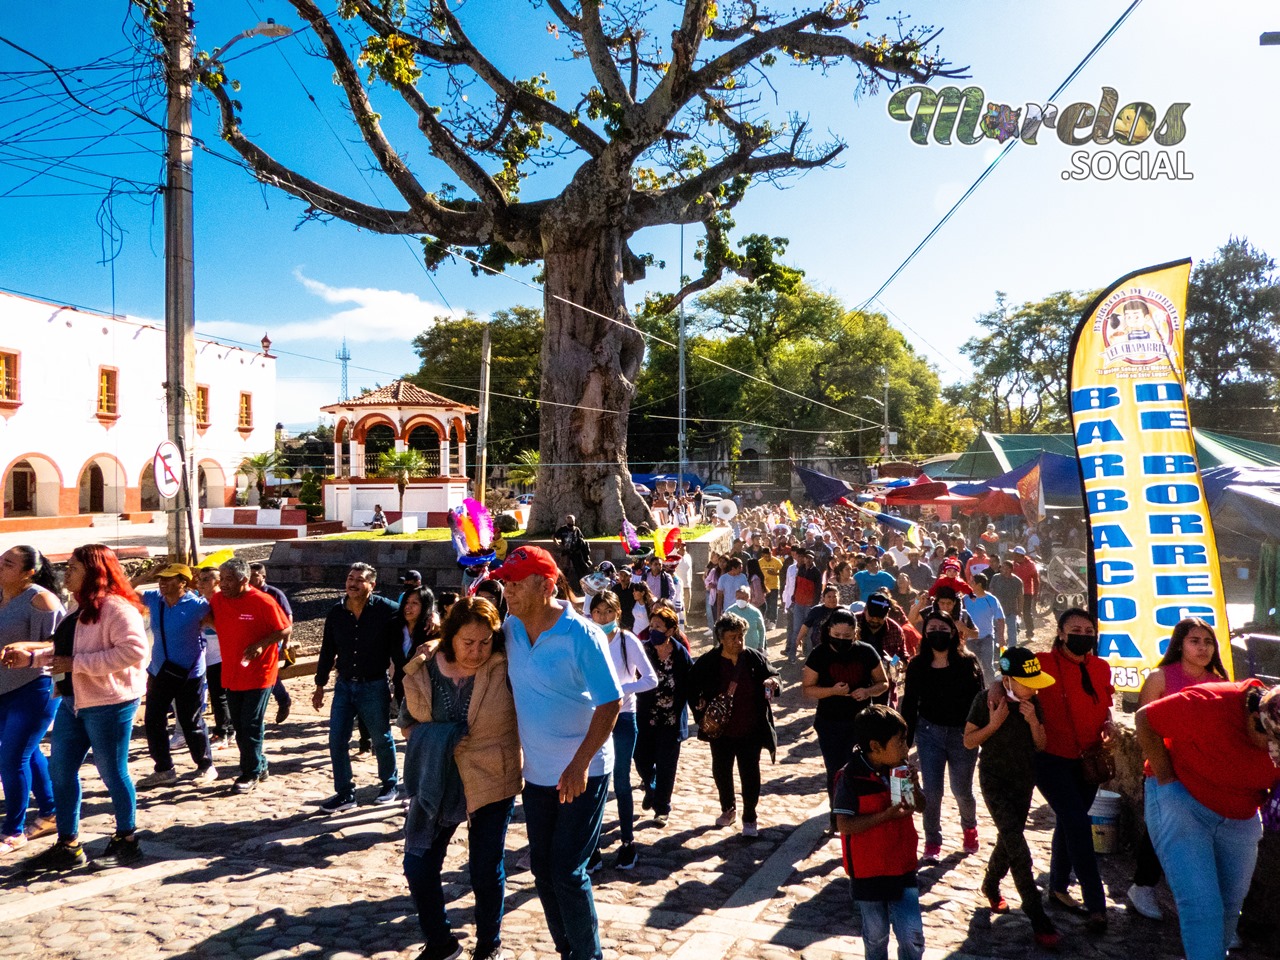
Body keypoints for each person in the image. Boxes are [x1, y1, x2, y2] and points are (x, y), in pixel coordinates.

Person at [491, 545, 622, 960]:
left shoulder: (582, 634)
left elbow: (611, 702)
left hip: (583, 771)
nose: (507, 590)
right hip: (538, 776)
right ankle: (569, 950)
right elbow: (465, 641)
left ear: (545, 585)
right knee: (543, 873)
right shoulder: (510, 628)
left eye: (514, 583)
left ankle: (588, 956)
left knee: (567, 871)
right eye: (505, 583)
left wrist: (580, 762)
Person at [2, 544, 147, 871]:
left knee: (112, 772)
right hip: (73, 701)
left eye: (73, 568)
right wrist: (32, 658)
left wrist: (77, 663)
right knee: (60, 771)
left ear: (95, 572)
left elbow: (134, 651)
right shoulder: (78, 609)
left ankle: (127, 839)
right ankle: (68, 844)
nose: (65, 572)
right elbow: (64, 651)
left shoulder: (117, 609)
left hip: (110, 703)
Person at [400, 596, 521, 960]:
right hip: (436, 780)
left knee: (485, 868)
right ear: (450, 636)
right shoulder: (424, 666)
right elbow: (407, 721)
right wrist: (440, 741)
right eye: (468, 642)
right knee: (418, 864)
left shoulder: (505, 666)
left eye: (485, 641)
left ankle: (489, 945)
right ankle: (441, 942)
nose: (477, 651)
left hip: (491, 777)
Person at [1137, 679, 1280, 960]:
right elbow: (1145, 719)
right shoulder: (1209, 703)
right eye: (1272, 742)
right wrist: (1167, 779)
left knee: (1229, 906)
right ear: (1254, 719)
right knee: (1201, 905)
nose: (1273, 752)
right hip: (1184, 798)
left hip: (1240, 813)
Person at [1127, 618, 1229, 922]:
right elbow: (1145, 727)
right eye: (1195, 641)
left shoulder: (1219, 681)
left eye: (1208, 642)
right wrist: (1163, 769)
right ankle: (1142, 886)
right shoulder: (1160, 678)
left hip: (1204, 772)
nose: (1202, 647)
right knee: (1161, 831)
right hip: (1164, 770)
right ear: (1180, 644)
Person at [964, 647, 1059, 947]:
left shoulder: (1034, 704)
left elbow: (1041, 744)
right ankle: (1037, 916)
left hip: (1023, 782)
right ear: (1007, 680)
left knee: (1009, 839)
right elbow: (968, 741)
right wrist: (993, 725)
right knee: (1019, 849)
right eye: (1025, 682)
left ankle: (990, 884)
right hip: (994, 782)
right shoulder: (987, 700)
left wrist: (1033, 723)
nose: (1032, 688)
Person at [1030, 607, 1114, 934]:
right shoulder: (1042, 662)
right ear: (1062, 633)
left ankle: (1057, 887)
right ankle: (1096, 904)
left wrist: (1108, 722)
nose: (1083, 635)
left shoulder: (1102, 666)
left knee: (1070, 821)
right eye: (1075, 629)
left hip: (1089, 760)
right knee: (1079, 824)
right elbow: (1007, 677)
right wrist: (997, 687)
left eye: (1089, 630)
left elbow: (1105, 703)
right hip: (1049, 759)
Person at [834, 705, 926, 960]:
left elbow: (918, 806)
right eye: (900, 742)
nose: (907, 748)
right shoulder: (850, 777)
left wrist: (915, 788)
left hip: (902, 865)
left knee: (912, 935)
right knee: (876, 936)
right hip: (868, 871)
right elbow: (844, 825)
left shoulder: (899, 767)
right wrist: (885, 816)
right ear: (875, 746)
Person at [313, 562, 404, 811]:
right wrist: (320, 685)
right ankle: (345, 793)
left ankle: (389, 784)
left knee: (381, 737)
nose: (352, 583)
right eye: (350, 578)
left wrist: (433, 619)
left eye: (359, 579)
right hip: (343, 686)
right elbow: (327, 650)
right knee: (336, 739)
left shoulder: (387, 610)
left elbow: (412, 615)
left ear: (371, 585)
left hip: (374, 685)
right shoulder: (336, 612)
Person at [899, 609, 984, 861]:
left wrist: (978, 733)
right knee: (932, 792)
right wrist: (905, 740)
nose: (938, 634)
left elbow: (979, 702)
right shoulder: (917, 665)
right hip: (929, 733)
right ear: (925, 634)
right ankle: (932, 841)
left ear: (953, 633)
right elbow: (910, 704)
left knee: (962, 790)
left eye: (943, 630)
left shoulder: (968, 662)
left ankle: (969, 827)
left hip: (962, 735)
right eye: (932, 630)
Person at [690, 611, 781, 836]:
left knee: (750, 773)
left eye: (741, 636)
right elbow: (691, 686)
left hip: (750, 728)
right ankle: (727, 808)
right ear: (721, 638)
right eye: (733, 637)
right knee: (722, 772)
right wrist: (700, 707)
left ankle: (750, 816)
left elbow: (775, 675)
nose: (738, 641)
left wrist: (772, 682)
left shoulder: (753, 658)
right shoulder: (709, 661)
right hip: (721, 732)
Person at [0, 545, 63, 854]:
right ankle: (51, 812)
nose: (0, 567)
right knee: (27, 751)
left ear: (29, 572)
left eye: (8, 564)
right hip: (2, 689)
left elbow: (57, 644)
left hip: (34, 688)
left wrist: (23, 648)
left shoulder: (42, 600)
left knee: (11, 760)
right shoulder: (0, 595)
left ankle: (13, 831)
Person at [587, 592, 657, 871]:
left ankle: (628, 843)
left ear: (618, 612)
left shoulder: (627, 641)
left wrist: (619, 689)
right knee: (594, 782)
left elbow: (650, 679)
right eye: (598, 612)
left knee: (621, 780)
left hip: (624, 716)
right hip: (592, 719)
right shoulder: (587, 638)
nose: (603, 617)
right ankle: (592, 847)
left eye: (608, 611)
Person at [209, 558, 291, 794]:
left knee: (251, 724)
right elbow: (213, 617)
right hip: (232, 673)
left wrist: (260, 645)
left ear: (243, 580)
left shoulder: (263, 601)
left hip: (260, 674)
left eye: (228, 579)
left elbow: (284, 628)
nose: (222, 584)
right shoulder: (218, 599)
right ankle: (260, 765)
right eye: (221, 578)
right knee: (239, 725)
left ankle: (250, 773)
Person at [802, 610, 888, 831]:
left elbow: (883, 683)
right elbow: (809, 689)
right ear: (829, 631)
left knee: (859, 768)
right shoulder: (819, 654)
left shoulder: (866, 652)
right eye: (837, 634)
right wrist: (831, 691)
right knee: (835, 770)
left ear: (855, 633)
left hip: (860, 723)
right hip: (829, 722)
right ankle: (837, 817)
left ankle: (860, 812)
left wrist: (868, 691)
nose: (841, 639)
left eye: (846, 635)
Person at [136, 563, 216, 788]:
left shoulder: (198, 606)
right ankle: (164, 768)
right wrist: (147, 575)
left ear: (183, 582)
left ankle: (205, 766)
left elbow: (220, 626)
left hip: (189, 675)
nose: (162, 582)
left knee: (191, 722)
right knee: (153, 721)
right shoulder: (154, 599)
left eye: (169, 578)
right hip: (159, 672)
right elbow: (121, 590)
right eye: (161, 578)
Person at [634, 606, 694, 826]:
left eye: (658, 626)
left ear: (670, 630)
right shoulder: (643, 650)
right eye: (651, 625)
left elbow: (691, 684)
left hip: (671, 720)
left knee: (667, 765)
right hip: (646, 717)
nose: (653, 630)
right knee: (641, 758)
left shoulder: (680, 654)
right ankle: (650, 786)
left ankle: (662, 808)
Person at [249, 563, 296, 724]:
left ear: (263, 577)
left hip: (272, 639)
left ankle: (282, 700)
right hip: (252, 640)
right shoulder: (246, 594)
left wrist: (286, 642)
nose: (251, 578)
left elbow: (287, 618)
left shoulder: (274, 594)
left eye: (255, 575)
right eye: (249, 575)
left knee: (267, 672)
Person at [194, 567, 233, 748]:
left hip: (223, 655)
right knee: (217, 695)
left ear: (217, 582)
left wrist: (211, 622)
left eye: (205, 579)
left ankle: (223, 731)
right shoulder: (201, 602)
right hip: (206, 654)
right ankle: (228, 728)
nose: (200, 583)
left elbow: (230, 630)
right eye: (199, 579)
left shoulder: (223, 602)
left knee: (220, 695)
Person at [962, 574, 1005, 685]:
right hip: (969, 639)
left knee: (987, 665)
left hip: (987, 638)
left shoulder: (991, 600)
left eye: (972, 582)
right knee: (973, 665)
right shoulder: (965, 599)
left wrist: (1001, 637)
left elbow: (1000, 619)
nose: (969, 584)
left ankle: (990, 689)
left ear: (979, 585)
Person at [785, 550, 822, 661]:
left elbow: (818, 590)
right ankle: (792, 655)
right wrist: (794, 597)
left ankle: (809, 656)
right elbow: (796, 584)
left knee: (809, 631)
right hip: (798, 603)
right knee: (796, 629)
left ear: (813, 559)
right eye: (806, 557)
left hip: (809, 605)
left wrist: (814, 604)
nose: (808, 560)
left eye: (810, 558)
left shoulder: (816, 572)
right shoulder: (800, 569)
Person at [796, 584, 842, 658]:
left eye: (834, 597)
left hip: (837, 645)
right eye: (829, 597)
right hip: (818, 645)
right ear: (823, 598)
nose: (832, 599)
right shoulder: (816, 610)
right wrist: (799, 638)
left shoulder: (842, 611)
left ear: (838, 598)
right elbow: (806, 625)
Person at [987, 560, 1024, 647]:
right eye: (1002, 567)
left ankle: (1012, 650)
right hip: (997, 610)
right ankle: (997, 648)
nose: (1003, 569)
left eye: (1005, 568)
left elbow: (1020, 597)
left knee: (1012, 631)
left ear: (1010, 569)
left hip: (1011, 610)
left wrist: (1020, 610)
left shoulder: (1017, 581)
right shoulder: (996, 578)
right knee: (996, 631)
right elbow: (991, 592)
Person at [728, 584, 768, 653]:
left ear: (748, 599)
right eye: (738, 598)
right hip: (735, 649)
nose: (740, 600)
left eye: (743, 598)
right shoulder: (729, 611)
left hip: (753, 649)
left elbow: (761, 629)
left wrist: (761, 646)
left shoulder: (755, 612)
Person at [1010, 547, 1039, 640]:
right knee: (1014, 612)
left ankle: (1030, 632)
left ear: (1019, 555)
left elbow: (1036, 579)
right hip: (1014, 592)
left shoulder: (1031, 565)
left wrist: (1036, 592)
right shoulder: (1012, 564)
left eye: (1014, 554)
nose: (1013, 555)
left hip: (1026, 592)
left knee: (1026, 612)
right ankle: (1015, 631)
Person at [553, 514, 593, 582]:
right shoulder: (563, 529)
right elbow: (554, 536)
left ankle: (580, 583)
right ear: (567, 522)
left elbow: (581, 539)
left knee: (578, 569)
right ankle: (563, 582)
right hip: (566, 551)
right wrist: (558, 544)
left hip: (575, 552)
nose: (571, 523)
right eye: (569, 522)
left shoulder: (576, 529)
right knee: (565, 568)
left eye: (572, 522)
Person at [757, 546, 783, 627]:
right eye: (765, 556)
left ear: (771, 553)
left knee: (773, 604)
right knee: (765, 604)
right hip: (763, 587)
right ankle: (767, 618)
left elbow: (783, 573)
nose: (767, 558)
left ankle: (773, 621)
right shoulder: (759, 562)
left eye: (769, 556)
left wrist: (775, 574)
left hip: (774, 586)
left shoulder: (777, 561)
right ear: (762, 555)